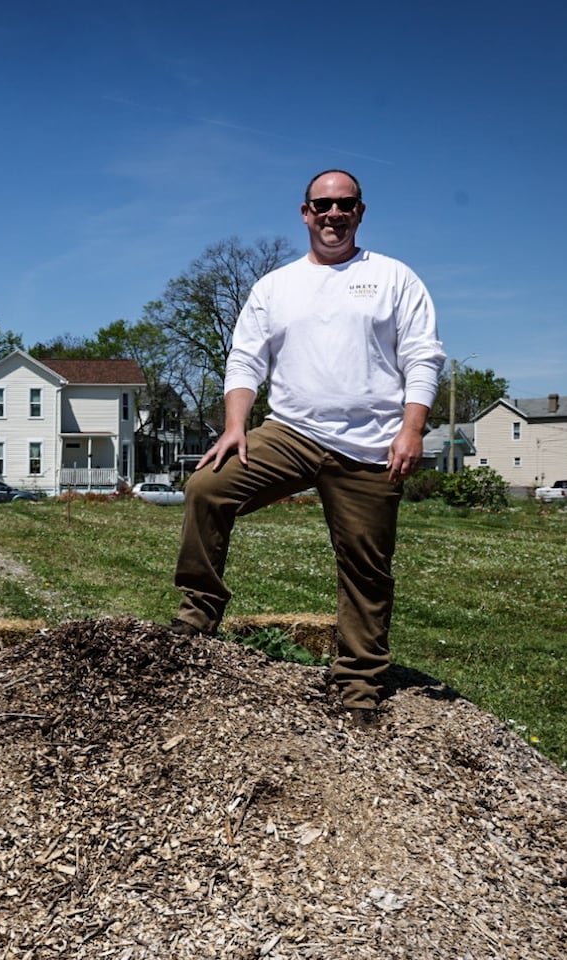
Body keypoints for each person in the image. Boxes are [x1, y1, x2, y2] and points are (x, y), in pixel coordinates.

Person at [171, 169, 446, 721]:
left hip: (369, 446)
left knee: (366, 566)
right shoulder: (276, 286)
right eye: (322, 205)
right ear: (305, 212)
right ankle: (196, 616)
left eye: (345, 205)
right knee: (207, 486)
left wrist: (411, 428)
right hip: (291, 432)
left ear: (360, 212)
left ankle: (360, 683)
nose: (333, 215)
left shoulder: (395, 278)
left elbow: (423, 356)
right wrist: (234, 426)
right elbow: (246, 359)